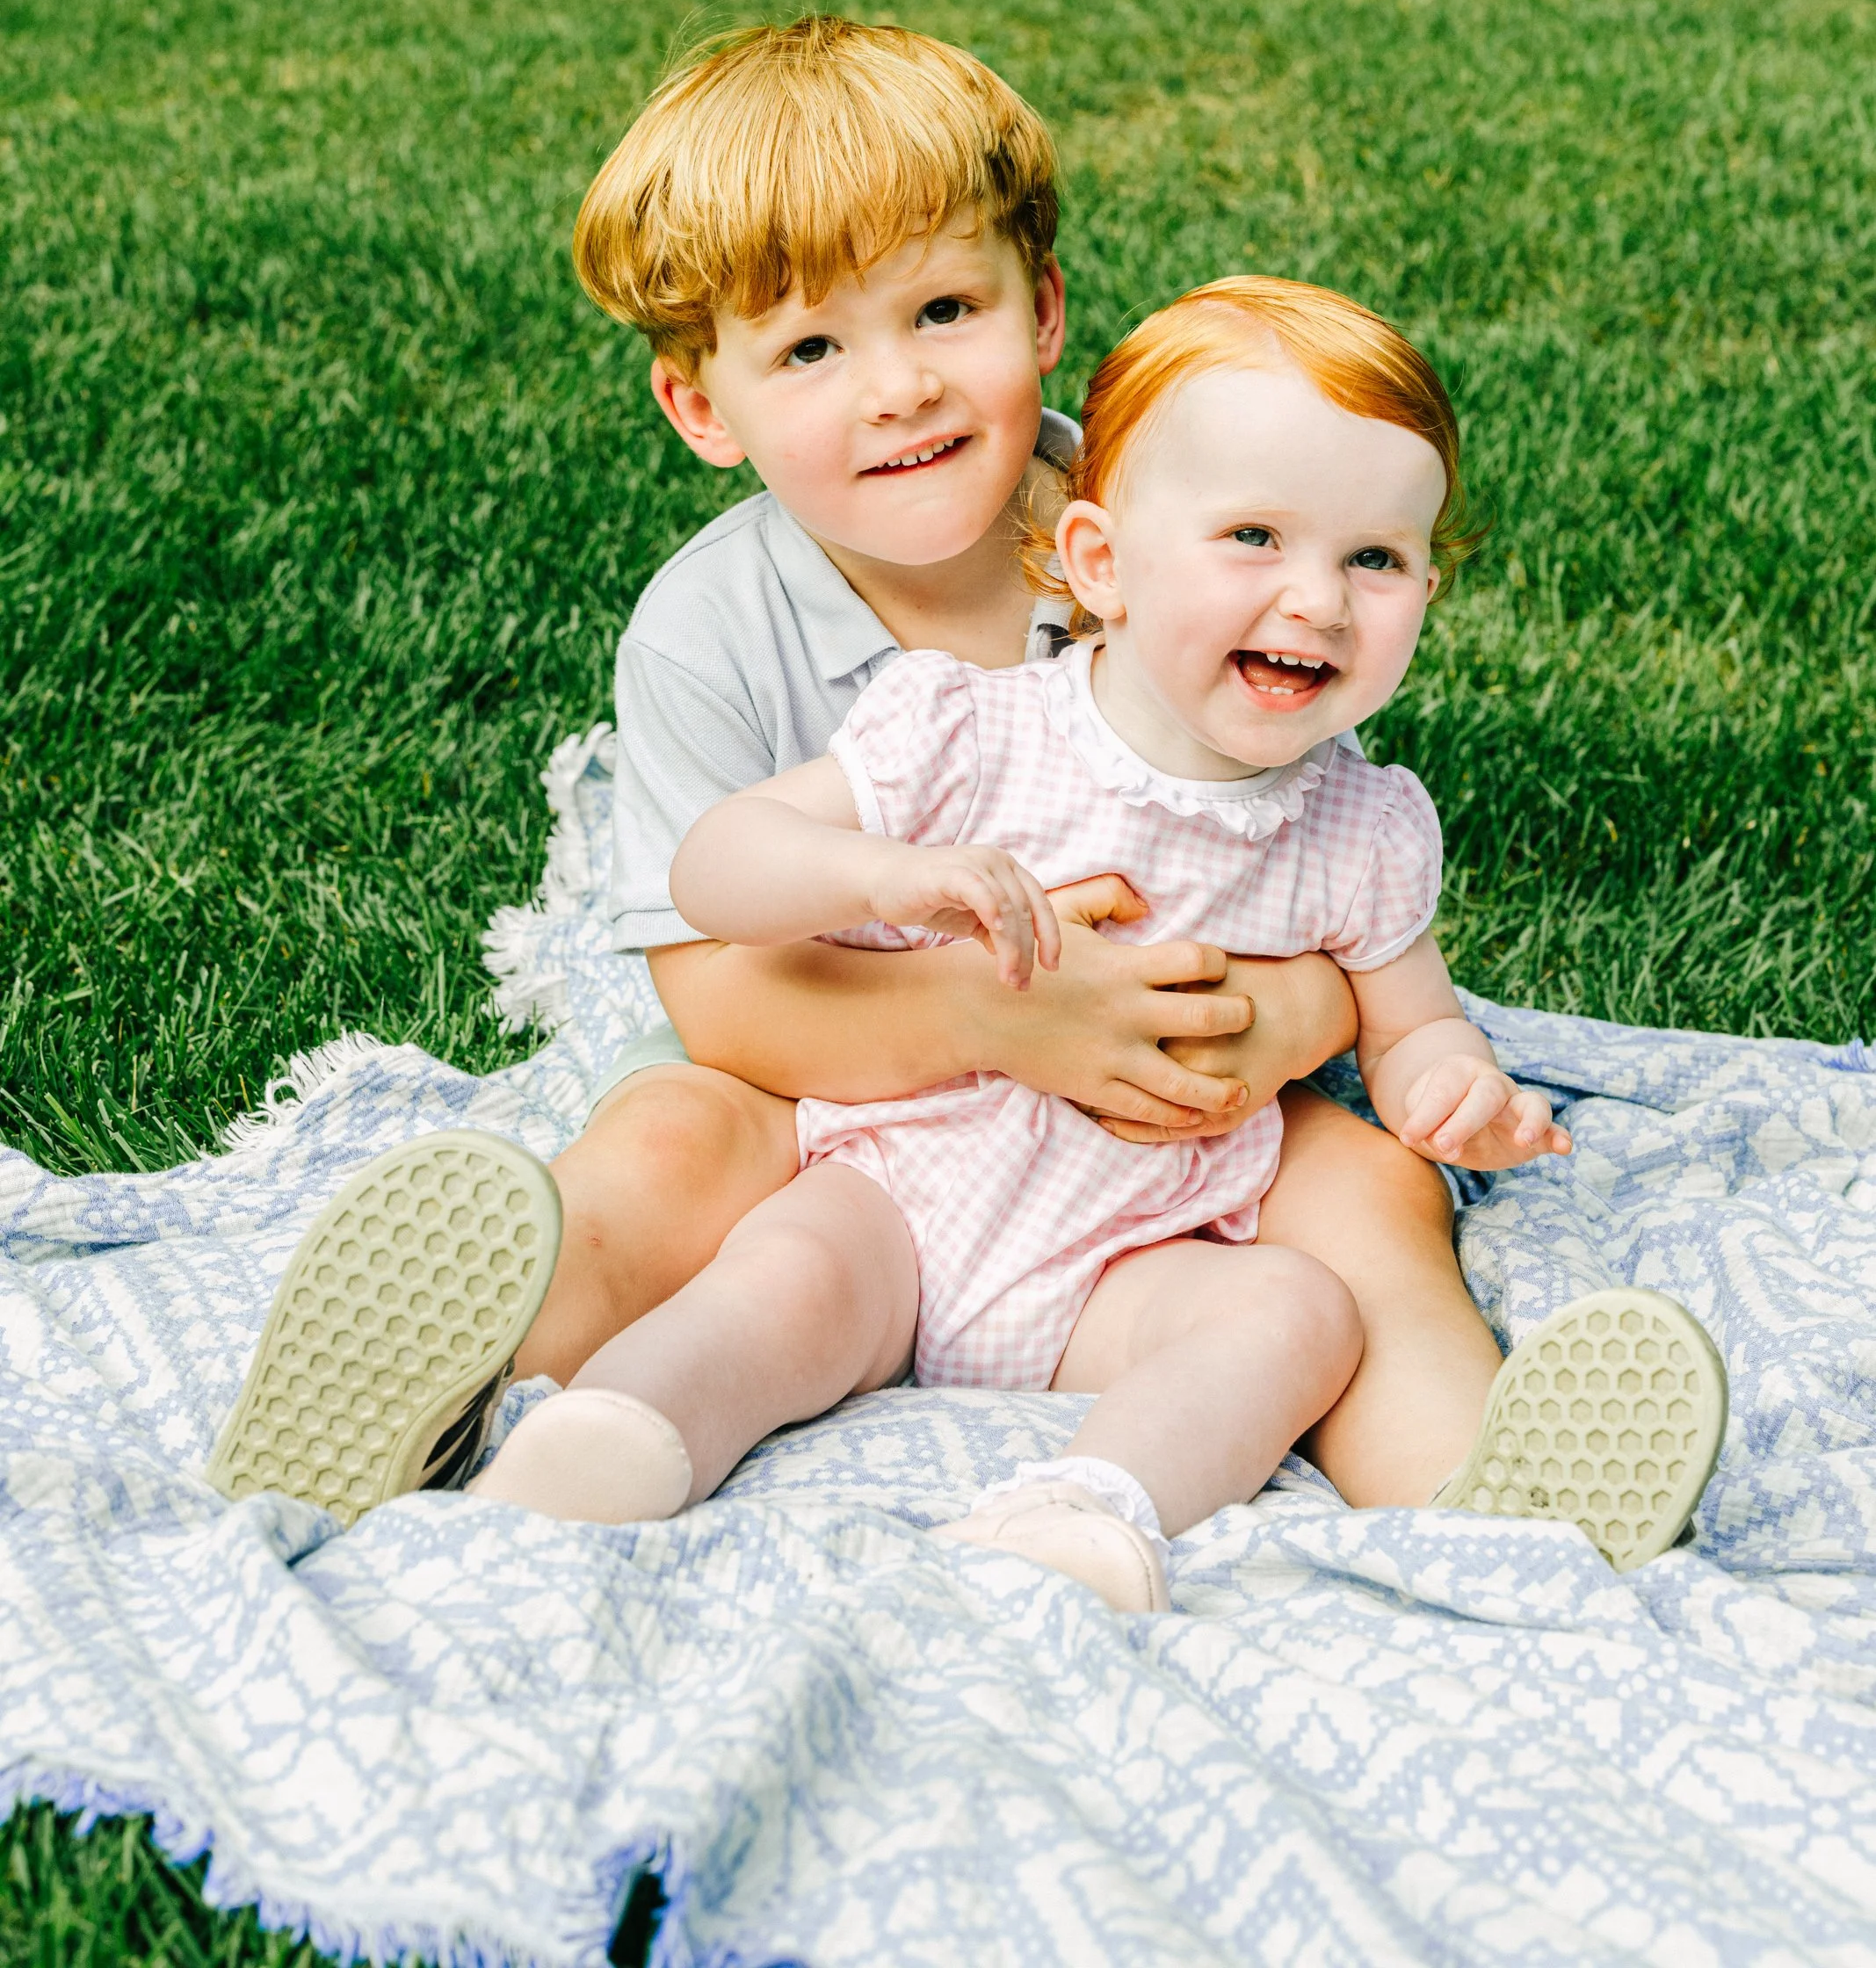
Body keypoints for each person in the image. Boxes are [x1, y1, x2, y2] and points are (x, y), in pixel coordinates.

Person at [205, 19, 1646, 1531]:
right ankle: (418, 1401)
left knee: (1367, 1195)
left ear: (1042, 314)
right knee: (670, 1148)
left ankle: (1482, 1499)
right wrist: (991, 1018)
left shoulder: (1197, 525)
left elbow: (1302, 846)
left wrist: (1287, 1020)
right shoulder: (710, 630)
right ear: (705, 406)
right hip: (817, 1073)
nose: (895, 388)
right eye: (813, 347)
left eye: (945, 308)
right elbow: (726, 996)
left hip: (1159, 1098)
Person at [467, 277, 1726, 1603]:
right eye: (1254, 537)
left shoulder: (1361, 822)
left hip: (1140, 1243)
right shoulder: (967, 729)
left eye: (1375, 559)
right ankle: (604, 1443)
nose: (1317, 601)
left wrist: (1453, 1094)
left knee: (1295, 1312)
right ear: (1100, 565)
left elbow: (1409, 1017)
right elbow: (712, 870)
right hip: (900, 1192)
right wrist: (889, 870)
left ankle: (1104, 1517)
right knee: (782, 1283)